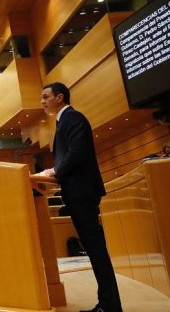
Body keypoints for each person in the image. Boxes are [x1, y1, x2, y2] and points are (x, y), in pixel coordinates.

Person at [38, 82, 122, 312]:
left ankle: (110, 305)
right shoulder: (64, 121)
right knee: (94, 248)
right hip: (78, 191)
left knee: (95, 249)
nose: (42, 101)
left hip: (82, 192)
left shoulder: (73, 118)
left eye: (46, 97)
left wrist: (54, 171)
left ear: (59, 97)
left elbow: (76, 153)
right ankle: (108, 303)